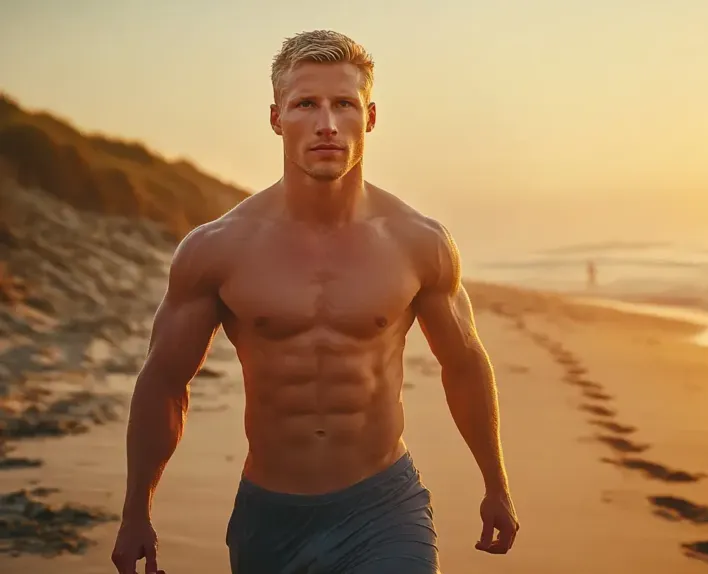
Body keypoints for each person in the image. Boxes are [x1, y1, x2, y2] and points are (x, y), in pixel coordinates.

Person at [110, 30, 518, 574]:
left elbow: (464, 363)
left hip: (384, 507)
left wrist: (496, 484)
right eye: (306, 104)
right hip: (268, 517)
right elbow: (163, 381)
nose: (327, 123)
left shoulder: (418, 242)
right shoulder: (219, 249)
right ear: (277, 117)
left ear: (369, 117)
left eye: (343, 104)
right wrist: (136, 508)